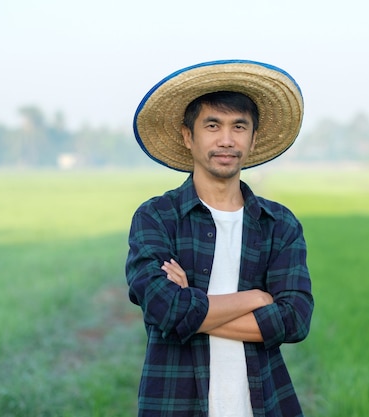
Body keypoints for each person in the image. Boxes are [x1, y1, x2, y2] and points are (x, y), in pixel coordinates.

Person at [126, 59, 314, 417]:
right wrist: (257, 298)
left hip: (264, 404)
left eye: (238, 126)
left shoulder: (279, 224)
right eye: (212, 125)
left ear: (253, 137)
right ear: (188, 136)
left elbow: (295, 319)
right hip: (175, 403)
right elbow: (161, 307)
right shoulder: (157, 218)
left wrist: (189, 309)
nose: (226, 140)